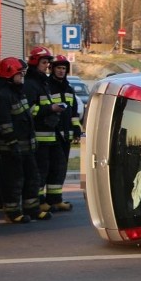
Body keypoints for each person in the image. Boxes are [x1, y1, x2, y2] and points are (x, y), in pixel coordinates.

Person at [0, 57, 50, 223]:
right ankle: (12, 213)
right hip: (12, 149)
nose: (22, 78)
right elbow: (5, 124)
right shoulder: (2, 96)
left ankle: (32, 209)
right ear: (9, 75)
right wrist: (12, 144)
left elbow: (27, 120)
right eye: (19, 75)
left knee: (32, 179)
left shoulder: (18, 92)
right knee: (13, 182)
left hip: (27, 147)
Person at [23, 45, 70, 214]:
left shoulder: (42, 83)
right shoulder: (30, 84)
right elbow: (29, 110)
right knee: (40, 171)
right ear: (35, 63)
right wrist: (51, 109)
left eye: (48, 63)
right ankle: (39, 202)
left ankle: (54, 200)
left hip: (51, 135)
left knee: (56, 167)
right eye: (44, 62)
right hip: (39, 137)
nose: (47, 66)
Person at [46, 54, 84, 211]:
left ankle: (56, 199)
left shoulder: (68, 88)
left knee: (61, 168)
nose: (61, 71)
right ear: (52, 69)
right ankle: (47, 200)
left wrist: (76, 128)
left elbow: (74, 111)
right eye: (58, 68)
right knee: (51, 168)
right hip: (52, 134)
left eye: (63, 68)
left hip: (66, 135)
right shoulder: (47, 87)